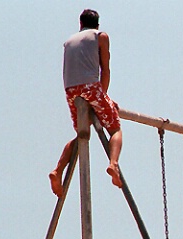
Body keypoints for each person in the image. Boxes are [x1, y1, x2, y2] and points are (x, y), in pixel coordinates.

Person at [49, 9, 123, 197]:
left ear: (80, 24)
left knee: (82, 134)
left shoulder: (68, 42)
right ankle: (113, 164)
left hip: (71, 90)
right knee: (114, 128)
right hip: (90, 87)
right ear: (97, 25)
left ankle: (57, 171)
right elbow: (105, 70)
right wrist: (103, 99)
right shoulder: (101, 36)